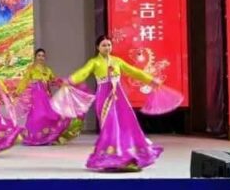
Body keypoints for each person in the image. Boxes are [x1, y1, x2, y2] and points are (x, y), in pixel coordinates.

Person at [65, 34, 163, 172]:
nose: (107, 47)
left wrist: (150, 80)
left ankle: (126, 156)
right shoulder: (94, 62)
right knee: (110, 126)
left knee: (125, 123)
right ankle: (110, 157)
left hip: (119, 97)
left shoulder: (117, 61)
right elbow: (83, 73)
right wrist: (70, 80)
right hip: (104, 98)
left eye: (109, 45)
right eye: (104, 45)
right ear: (98, 47)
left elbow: (134, 72)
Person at [14, 47, 82, 146]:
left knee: (49, 114)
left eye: (43, 56)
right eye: (39, 55)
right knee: (38, 115)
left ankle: (46, 137)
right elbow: (24, 81)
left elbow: (53, 80)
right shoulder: (31, 69)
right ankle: (35, 137)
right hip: (36, 96)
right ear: (35, 57)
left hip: (46, 95)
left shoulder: (48, 70)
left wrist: (62, 84)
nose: (41, 57)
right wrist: (17, 92)